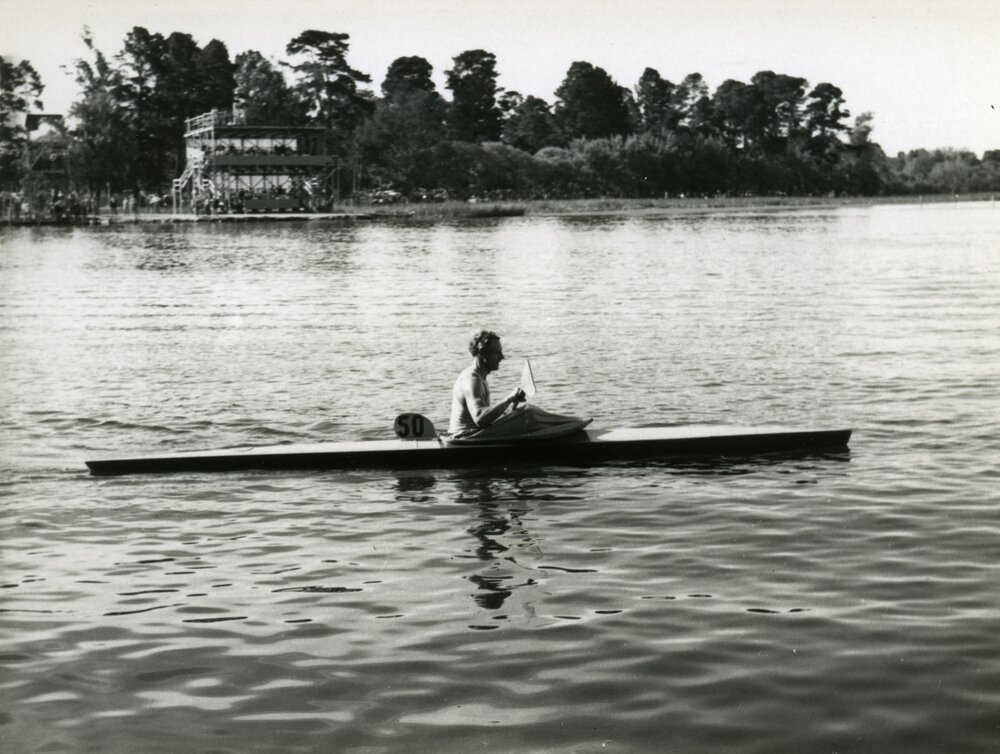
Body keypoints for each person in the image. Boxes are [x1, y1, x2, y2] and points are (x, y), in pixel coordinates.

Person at [449, 329, 526, 438]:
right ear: (483, 353)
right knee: (529, 413)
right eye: (497, 352)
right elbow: (480, 418)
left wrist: (512, 403)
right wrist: (508, 398)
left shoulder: (480, 376)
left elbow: (488, 418)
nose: (502, 357)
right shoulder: (472, 380)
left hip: (474, 435)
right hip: (465, 438)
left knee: (522, 413)